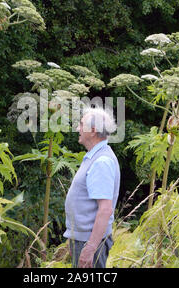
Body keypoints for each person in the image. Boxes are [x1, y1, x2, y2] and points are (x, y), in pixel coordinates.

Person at [64, 106, 120, 268]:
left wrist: (90, 248)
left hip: (90, 242)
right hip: (84, 239)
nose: (77, 129)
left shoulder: (101, 161)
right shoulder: (94, 157)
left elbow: (105, 210)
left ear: (93, 131)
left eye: (81, 125)